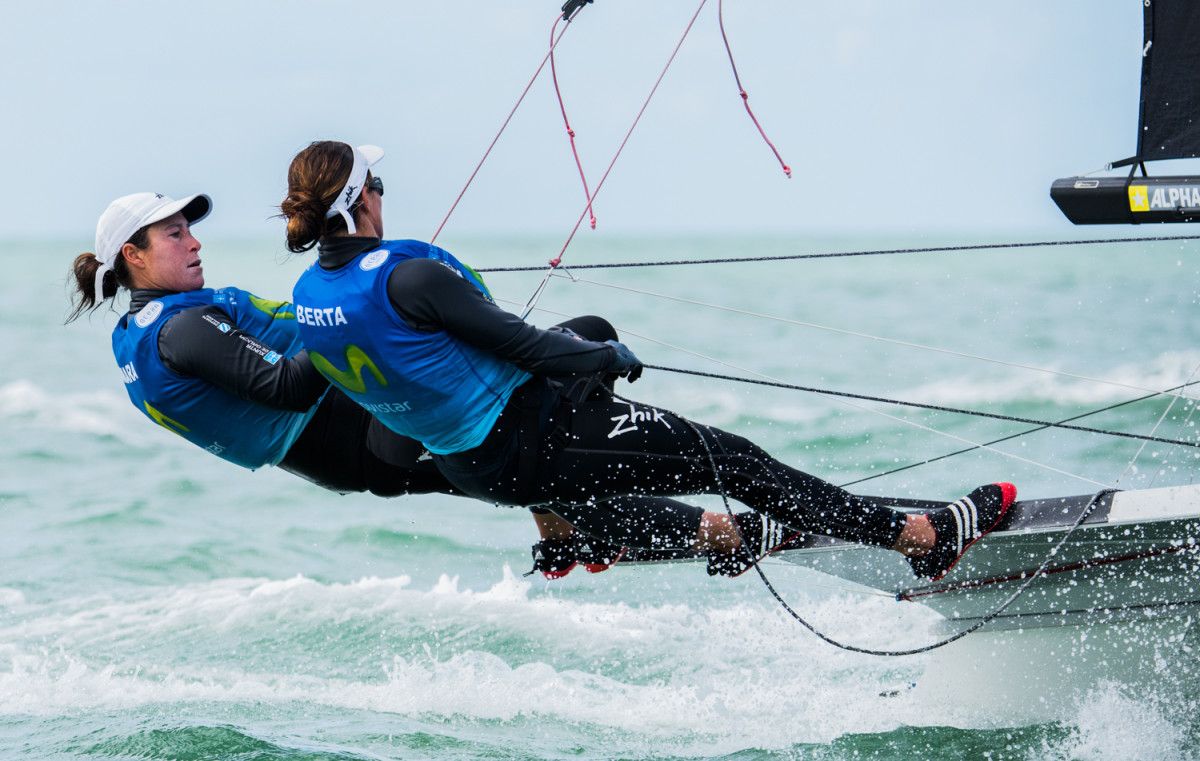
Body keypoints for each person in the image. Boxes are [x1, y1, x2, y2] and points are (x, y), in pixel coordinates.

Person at [279, 141, 1018, 583]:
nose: (384, 193)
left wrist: (584, 350)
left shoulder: (312, 296)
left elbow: (380, 377)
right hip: (533, 441)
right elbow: (524, 346)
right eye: (379, 183)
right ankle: (919, 539)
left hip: (475, 465)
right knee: (734, 460)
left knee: (587, 355)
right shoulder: (408, 277)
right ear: (363, 202)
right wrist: (605, 356)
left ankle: (576, 530)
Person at [66, 191, 794, 579]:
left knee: (545, 457)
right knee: (560, 402)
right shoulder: (177, 331)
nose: (193, 240)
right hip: (355, 441)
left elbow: (288, 334)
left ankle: (609, 528)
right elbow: (288, 385)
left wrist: (364, 309)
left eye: (190, 228)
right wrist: (348, 322)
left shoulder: (153, 328)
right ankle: (681, 526)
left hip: (354, 436)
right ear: (132, 256)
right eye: (173, 235)